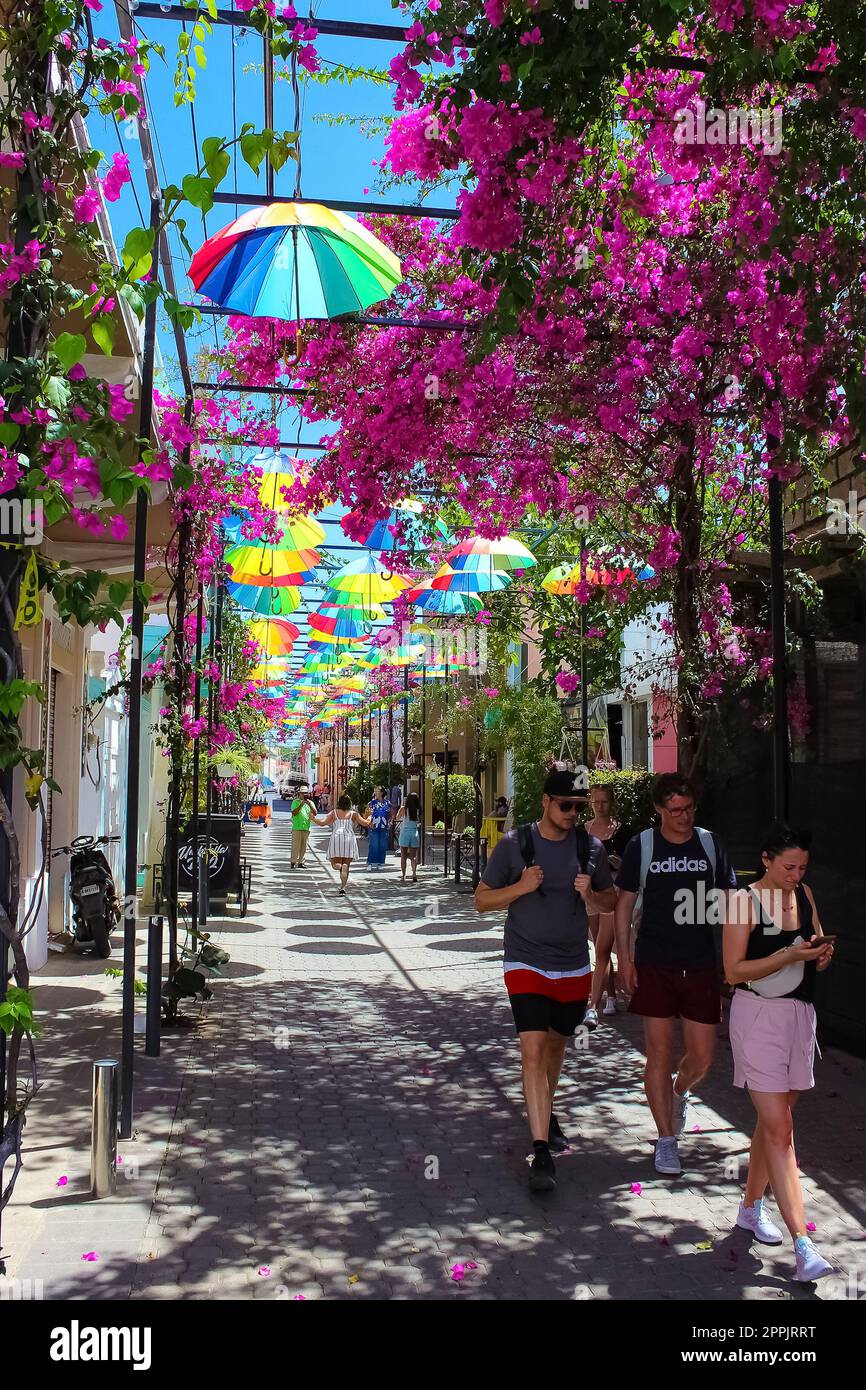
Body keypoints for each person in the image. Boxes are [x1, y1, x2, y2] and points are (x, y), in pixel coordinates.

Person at [475, 768, 616, 1193]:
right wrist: (519, 887)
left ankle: (546, 1111)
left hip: (573, 965)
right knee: (533, 1049)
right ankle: (541, 1151)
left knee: (556, 1045)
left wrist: (591, 895)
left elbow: (611, 901)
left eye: (579, 806)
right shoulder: (516, 844)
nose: (574, 813)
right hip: (525, 961)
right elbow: (482, 900)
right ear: (545, 802)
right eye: (566, 805)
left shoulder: (589, 848)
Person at [723, 825, 835, 1282]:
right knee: (781, 1131)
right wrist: (787, 957)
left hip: (799, 1019)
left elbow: (817, 942)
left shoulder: (805, 893)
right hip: (756, 1018)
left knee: (772, 1125)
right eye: (789, 866)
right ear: (766, 859)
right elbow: (733, 970)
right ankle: (804, 1246)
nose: (796, 874)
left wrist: (820, 954)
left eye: (802, 867)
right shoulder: (741, 901)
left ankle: (750, 1209)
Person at [614, 772, 736, 1176]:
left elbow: (729, 901)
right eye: (675, 810)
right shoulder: (642, 846)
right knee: (659, 1052)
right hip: (655, 961)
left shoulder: (709, 843)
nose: (684, 816)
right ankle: (666, 1140)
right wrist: (625, 961)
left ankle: (680, 1091)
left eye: (689, 809)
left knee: (703, 1055)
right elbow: (623, 905)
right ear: (659, 810)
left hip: (700, 962)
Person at [584, 784, 633, 1028]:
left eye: (603, 801)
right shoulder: (583, 831)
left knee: (602, 948)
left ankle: (592, 1006)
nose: (599, 806)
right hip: (591, 892)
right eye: (595, 801)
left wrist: (620, 863)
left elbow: (633, 870)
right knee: (598, 944)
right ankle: (611, 996)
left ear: (611, 802)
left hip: (613, 893)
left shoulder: (622, 831)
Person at [313, 796, 371, 895]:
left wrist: (313, 818)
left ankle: (339, 867)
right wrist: (369, 816)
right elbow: (365, 823)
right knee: (346, 865)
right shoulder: (353, 814)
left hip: (337, 837)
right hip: (349, 838)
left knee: (334, 863)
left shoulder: (334, 812)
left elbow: (322, 823)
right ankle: (343, 887)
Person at [289, 785, 317, 869]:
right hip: (297, 827)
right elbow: (294, 813)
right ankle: (293, 862)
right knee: (295, 846)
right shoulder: (295, 802)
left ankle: (301, 862)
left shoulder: (310, 802)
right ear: (299, 794)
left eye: (306, 793)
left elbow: (315, 813)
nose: (304, 795)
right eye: (303, 793)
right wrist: (301, 804)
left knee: (304, 846)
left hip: (306, 827)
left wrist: (309, 804)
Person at [396, 791, 421, 883]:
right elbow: (418, 821)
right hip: (414, 832)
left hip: (405, 833)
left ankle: (403, 876)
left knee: (403, 855)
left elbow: (397, 818)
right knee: (413, 856)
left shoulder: (403, 808)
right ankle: (414, 873)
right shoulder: (418, 810)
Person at [366, 785, 391, 871]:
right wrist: (369, 822)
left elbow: (390, 814)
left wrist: (390, 822)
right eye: (375, 791)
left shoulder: (387, 803)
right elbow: (367, 814)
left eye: (377, 791)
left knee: (383, 845)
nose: (376, 792)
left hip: (384, 826)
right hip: (374, 826)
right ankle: (370, 862)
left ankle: (381, 862)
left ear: (382, 792)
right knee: (373, 845)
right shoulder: (371, 803)